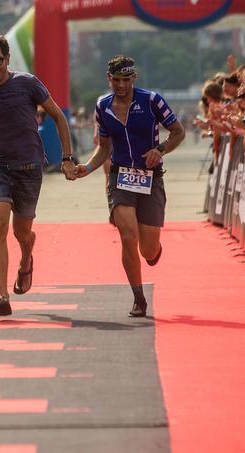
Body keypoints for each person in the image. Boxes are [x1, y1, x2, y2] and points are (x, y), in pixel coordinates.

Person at [0, 33, 75, 316]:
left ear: (7, 59)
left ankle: (26, 259)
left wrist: (68, 158)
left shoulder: (27, 83)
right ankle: (2, 294)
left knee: (21, 232)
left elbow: (58, 116)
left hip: (28, 168)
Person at [71, 55, 185, 317]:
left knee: (147, 248)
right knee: (127, 237)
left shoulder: (151, 100)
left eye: (126, 80)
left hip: (150, 176)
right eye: (116, 80)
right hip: (120, 176)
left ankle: (154, 251)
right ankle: (138, 298)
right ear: (108, 79)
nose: (121, 86)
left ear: (134, 78)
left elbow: (178, 132)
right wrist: (86, 168)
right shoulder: (102, 105)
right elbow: (104, 146)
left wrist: (160, 149)